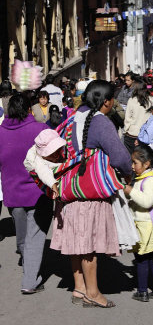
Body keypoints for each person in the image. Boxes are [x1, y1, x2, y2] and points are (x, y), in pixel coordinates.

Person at [50, 80, 132, 308]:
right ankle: (93, 293)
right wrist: (127, 175)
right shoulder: (100, 122)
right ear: (106, 101)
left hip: (68, 190)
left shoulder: (69, 120)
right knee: (89, 245)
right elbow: (120, 157)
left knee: (76, 241)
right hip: (90, 192)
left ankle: (79, 287)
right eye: (112, 99)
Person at [0, 93, 53, 293]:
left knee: (23, 236)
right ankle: (30, 281)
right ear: (29, 109)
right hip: (39, 192)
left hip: (12, 194)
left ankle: (27, 262)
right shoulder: (40, 129)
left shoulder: (0, 133)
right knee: (35, 236)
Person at [124, 144, 153, 302]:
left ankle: (142, 291)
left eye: (135, 163)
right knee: (152, 259)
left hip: (145, 226)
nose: (132, 166)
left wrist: (130, 191)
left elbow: (146, 202)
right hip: (147, 225)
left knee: (141, 258)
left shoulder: (150, 181)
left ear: (146, 164)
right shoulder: (146, 179)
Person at [24, 129, 66, 201]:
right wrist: (53, 184)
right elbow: (44, 172)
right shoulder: (37, 160)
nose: (57, 154)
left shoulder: (58, 155)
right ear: (43, 154)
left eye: (58, 150)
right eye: (53, 153)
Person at [124, 80, 153, 154]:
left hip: (132, 133)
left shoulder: (132, 100)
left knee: (131, 157)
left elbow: (128, 118)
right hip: (146, 135)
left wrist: (125, 130)